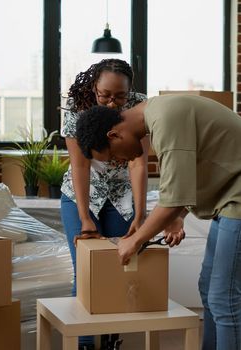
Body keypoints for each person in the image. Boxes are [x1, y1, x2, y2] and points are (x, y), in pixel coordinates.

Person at [75, 95, 241, 350]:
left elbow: (173, 199)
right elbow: (190, 174)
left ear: (114, 135)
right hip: (233, 193)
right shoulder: (158, 114)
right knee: (209, 289)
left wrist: (134, 239)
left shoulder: (165, 120)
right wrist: (178, 217)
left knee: (223, 296)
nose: (118, 162)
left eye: (112, 157)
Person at [60, 58, 148, 350]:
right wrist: (85, 217)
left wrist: (140, 212)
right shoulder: (75, 108)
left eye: (120, 96)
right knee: (84, 270)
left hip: (123, 196)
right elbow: (80, 166)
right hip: (83, 195)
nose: (113, 103)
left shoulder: (140, 107)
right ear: (94, 86)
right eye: (105, 95)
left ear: (130, 90)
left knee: (117, 270)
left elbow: (137, 163)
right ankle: (85, 344)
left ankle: (110, 343)